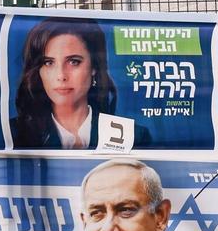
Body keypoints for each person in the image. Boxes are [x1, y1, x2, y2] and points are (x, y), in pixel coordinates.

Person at [13, 18, 152, 150]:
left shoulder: (134, 136)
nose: (61, 76)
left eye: (74, 62)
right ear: (39, 71)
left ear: (94, 67)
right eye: (48, 63)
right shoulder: (14, 133)